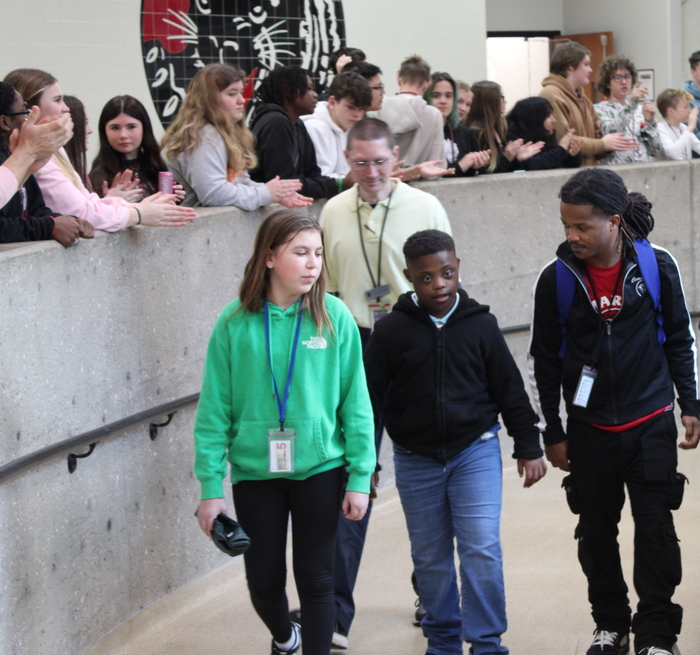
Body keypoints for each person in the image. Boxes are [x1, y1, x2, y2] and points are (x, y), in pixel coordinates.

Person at [528, 168, 700, 655]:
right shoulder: (557, 279)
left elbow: (679, 338)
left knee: (655, 530)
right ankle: (611, 625)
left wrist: (689, 404)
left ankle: (656, 636)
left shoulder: (656, 265)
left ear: (614, 219)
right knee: (596, 534)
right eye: (565, 225)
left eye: (582, 226)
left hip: (649, 422)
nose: (572, 236)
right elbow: (545, 359)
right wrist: (554, 431)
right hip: (590, 431)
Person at [194, 210, 376, 655]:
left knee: (317, 580)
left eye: (317, 253)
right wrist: (209, 487)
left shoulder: (334, 317)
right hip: (257, 471)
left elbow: (357, 405)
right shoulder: (234, 322)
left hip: (320, 467)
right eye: (301, 252)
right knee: (263, 581)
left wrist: (359, 477)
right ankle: (284, 637)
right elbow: (214, 410)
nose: (313, 263)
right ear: (270, 257)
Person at [365, 228, 547, 655]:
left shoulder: (481, 325)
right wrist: (364, 463)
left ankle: (486, 642)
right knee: (430, 557)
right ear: (409, 277)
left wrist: (528, 444)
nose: (439, 284)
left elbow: (509, 387)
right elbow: (369, 402)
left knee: (481, 546)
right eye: (426, 277)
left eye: (446, 273)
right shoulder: (390, 332)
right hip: (416, 459)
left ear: (458, 268)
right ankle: (443, 639)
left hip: (476, 450)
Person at [319, 118, 452, 648]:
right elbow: (322, 290)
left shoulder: (425, 207)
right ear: (346, 159)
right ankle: (332, 613)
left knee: (428, 478)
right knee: (349, 478)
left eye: (380, 162)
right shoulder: (331, 211)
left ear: (396, 158)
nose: (371, 173)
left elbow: (445, 285)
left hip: (416, 345)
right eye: (360, 163)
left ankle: (432, 593)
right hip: (353, 348)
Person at [5, 68, 195, 230]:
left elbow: (88, 201)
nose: (65, 109)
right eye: (57, 100)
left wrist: (148, 205)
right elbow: (80, 213)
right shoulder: (34, 153)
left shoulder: (54, 150)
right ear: (30, 109)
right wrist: (138, 213)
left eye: (131, 127)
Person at [161, 63, 310, 210]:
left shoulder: (225, 132)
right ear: (208, 99)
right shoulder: (202, 135)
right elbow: (214, 194)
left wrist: (278, 193)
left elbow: (240, 182)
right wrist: (266, 193)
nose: (241, 100)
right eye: (232, 94)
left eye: (241, 92)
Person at [0, 79, 92, 249]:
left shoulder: (9, 159)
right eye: (24, 114)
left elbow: (35, 209)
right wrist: (49, 227)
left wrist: (65, 221)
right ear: (4, 122)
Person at [0, 65, 73, 226]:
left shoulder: (5, 157)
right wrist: (28, 153)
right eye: (57, 100)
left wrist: (26, 165)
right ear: (4, 122)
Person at [249, 66, 342, 200]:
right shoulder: (276, 124)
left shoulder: (297, 123)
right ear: (287, 91)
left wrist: (334, 184)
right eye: (309, 89)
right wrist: (339, 184)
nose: (315, 94)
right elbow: (286, 186)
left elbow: (312, 173)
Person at [538, 42, 637, 165]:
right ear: (571, 66)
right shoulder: (551, 95)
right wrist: (602, 144)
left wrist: (609, 145)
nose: (590, 70)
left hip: (585, 172)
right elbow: (564, 141)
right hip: (564, 174)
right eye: (586, 64)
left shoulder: (584, 99)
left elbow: (597, 137)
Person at [89, 95, 170, 196]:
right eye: (115, 128)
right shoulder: (99, 175)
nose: (123, 135)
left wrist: (176, 196)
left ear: (144, 128)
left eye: (131, 127)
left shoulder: (155, 163)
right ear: (104, 131)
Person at [374, 55, 445, 165]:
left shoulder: (379, 108)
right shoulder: (434, 114)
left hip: (386, 179)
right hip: (421, 179)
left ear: (398, 79)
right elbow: (437, 163)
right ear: (427, 85)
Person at [303, 71, 372, 183]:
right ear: (332, 102)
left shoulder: (349, 128)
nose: (357, 114)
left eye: (361, 109)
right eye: (351, 107)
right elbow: (320, 179)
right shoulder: (314, 127)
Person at [594, 56, 662, 164]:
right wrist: (631, 105)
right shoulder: (599, 109)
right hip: (615, 173)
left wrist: (650, 123)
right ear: (607, 83)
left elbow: (656, 150)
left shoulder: (640, 109)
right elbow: (610, 131)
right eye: (618, 77)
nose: (624, 82)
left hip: (642, 172)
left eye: (627, 77)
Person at [465, 81, 543, 173]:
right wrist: (507, 158)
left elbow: (504, 169)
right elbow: (486, 174)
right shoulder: (476, 134)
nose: (505, 101)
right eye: (501, 97)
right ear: (490, 101)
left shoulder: (497, 129)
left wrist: (516, 158)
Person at [425, 71, 490, 176]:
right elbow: (426, 174)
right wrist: (461, 165)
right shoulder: (421, 130)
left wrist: (474, 165)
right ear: (427, 97)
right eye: (436, 96)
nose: (443, 101)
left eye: (448, 96)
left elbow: (464, 174)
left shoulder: (462, 131)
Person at [506, 96, 582, 170]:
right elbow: (530, 165)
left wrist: (572, 155)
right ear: (534, 119)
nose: (554, 120)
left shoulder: (544, 135)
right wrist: (561, 149)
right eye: (548, 116)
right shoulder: (514, 140)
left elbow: (561, 164)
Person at [655, 88, 700, 161]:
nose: (689, 110)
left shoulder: (683, 128)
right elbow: (673, 154)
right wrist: (690, 127)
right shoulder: (660, 128)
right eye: (686, 107)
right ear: (671, 111)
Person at [62, 95, 92, 191]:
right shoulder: (60, 171)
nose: (90, 130)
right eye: (84, 123)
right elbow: (82, 205)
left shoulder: (77, 167)